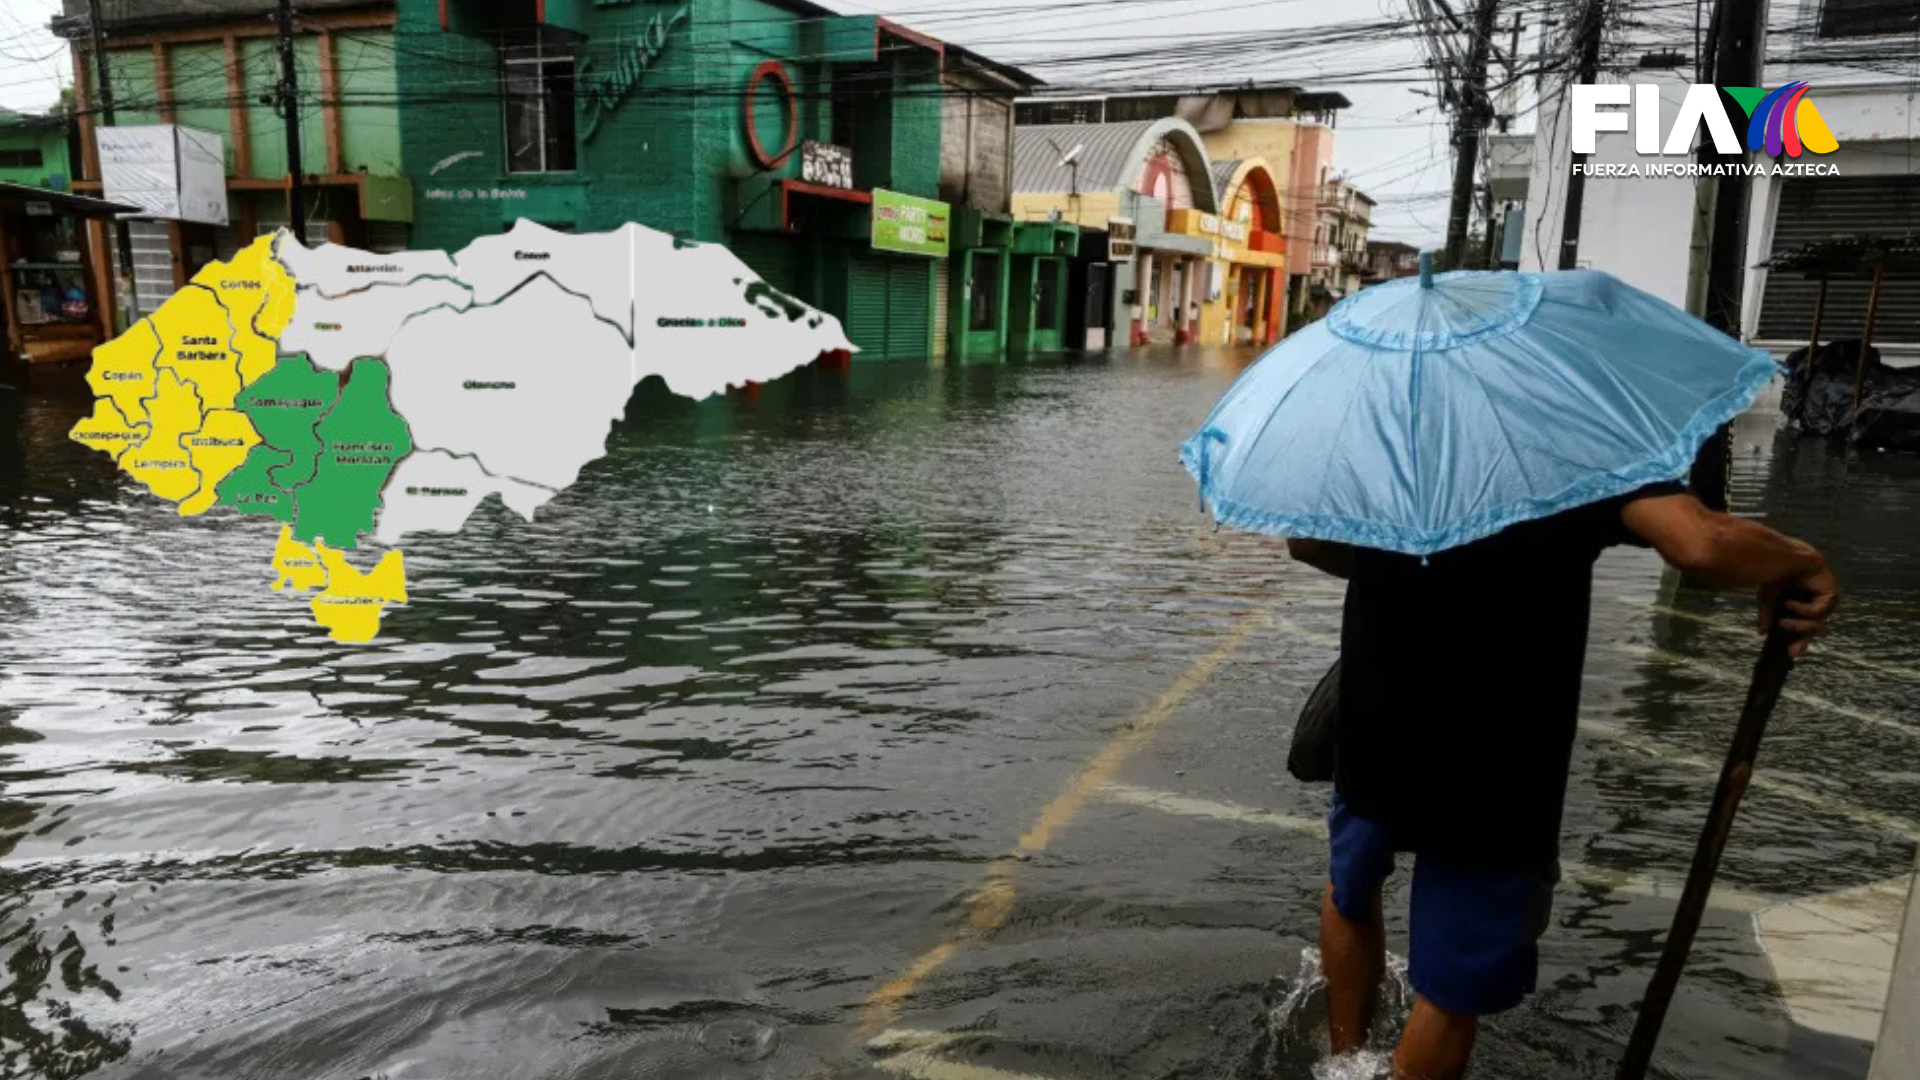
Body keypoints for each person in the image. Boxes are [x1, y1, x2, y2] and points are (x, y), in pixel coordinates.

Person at [1286, 484, 1839, 1080]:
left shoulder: (1389, 419)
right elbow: (1699, 541)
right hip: (1501, 759)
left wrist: (1410, 570)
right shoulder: (1574, 428)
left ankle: (1345, 1061)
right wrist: (1802, 560)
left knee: (1352, 887)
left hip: (1379, 712)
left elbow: (1308, 543)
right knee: (1449, 990)